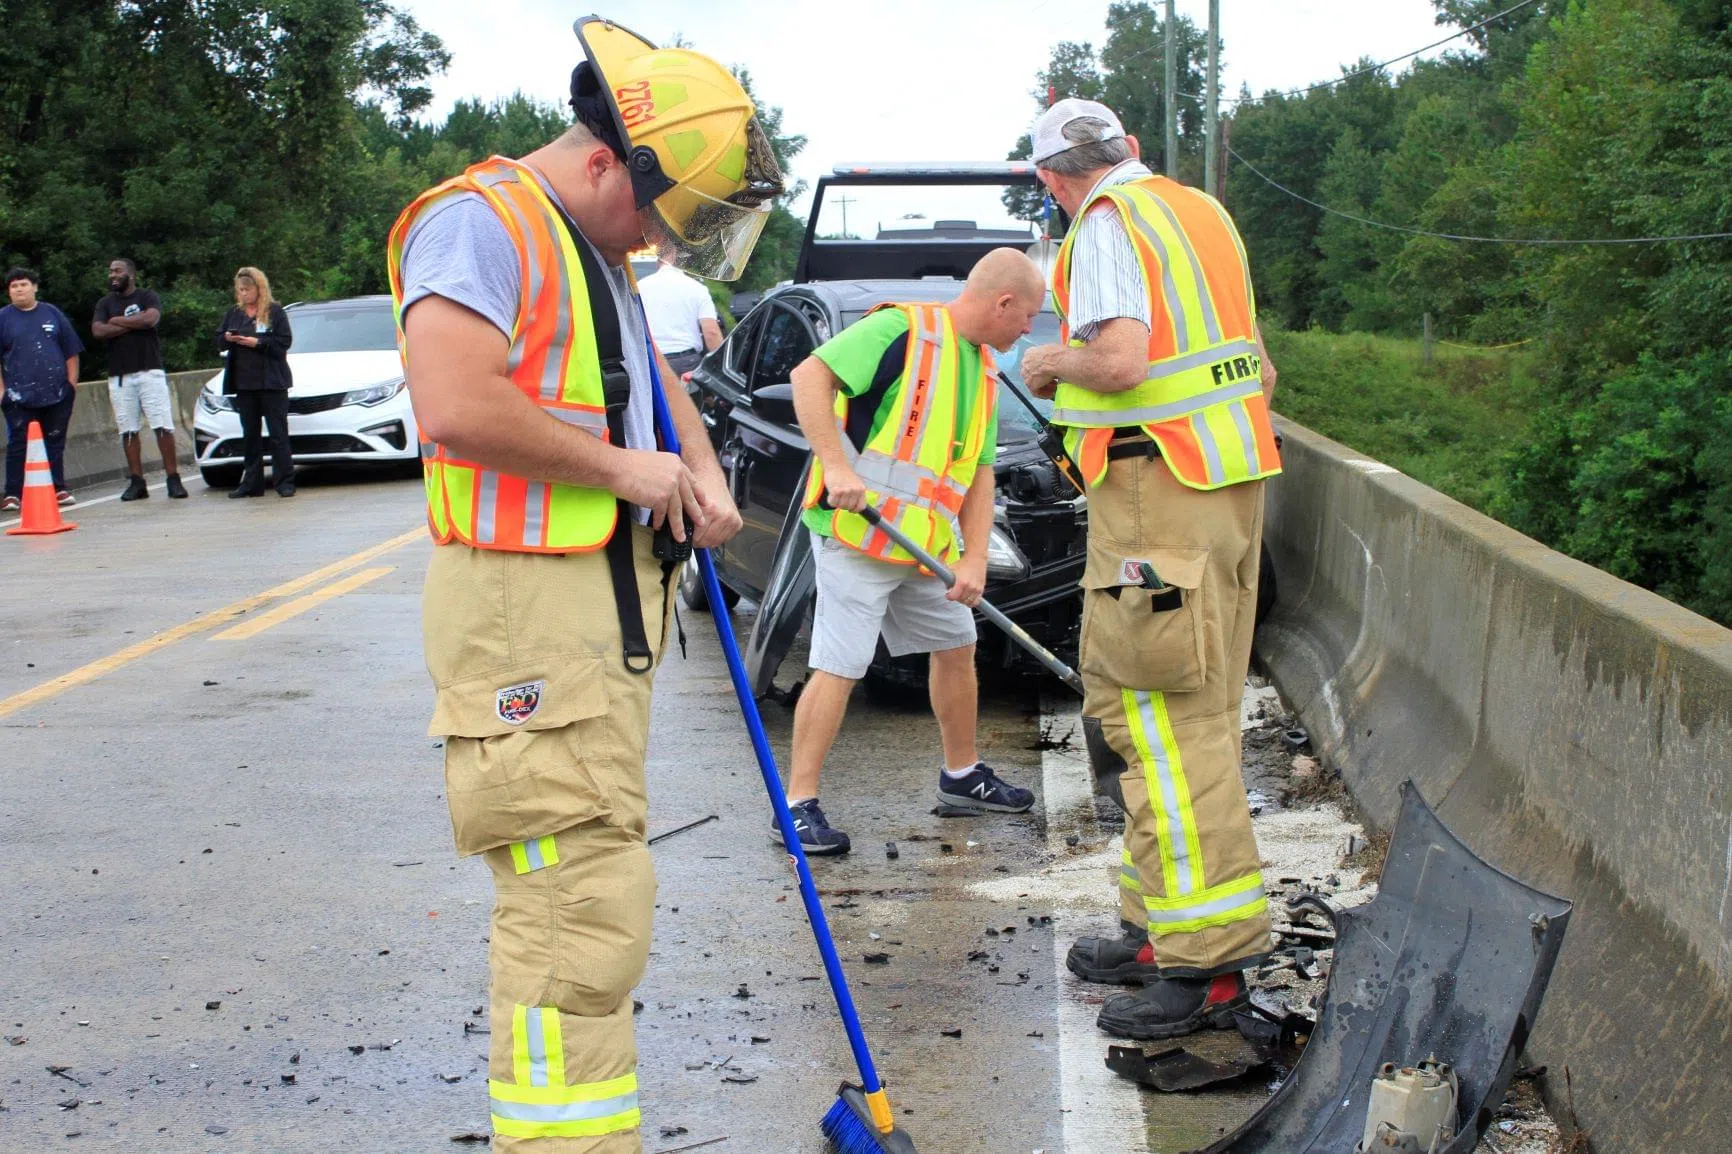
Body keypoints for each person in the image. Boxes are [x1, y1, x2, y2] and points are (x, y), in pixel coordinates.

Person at [389, 16, 777, 1150]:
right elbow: (455, 402)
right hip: (527, 614)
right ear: (606, 158)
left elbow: (639, 371)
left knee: (597, 889)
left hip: (593, 616)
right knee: (573, 913)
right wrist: (627, 467)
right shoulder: (480, 222)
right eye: (654, 214)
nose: (659, 241)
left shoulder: (589, 248)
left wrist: (696, 466)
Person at [1019, 99, 1283, 1041]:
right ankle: (1154, 923)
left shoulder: (1102, 226)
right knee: (1164, 706)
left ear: (1056, 179)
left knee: (1164, 723)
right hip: (1229, 485)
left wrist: (1053, 362)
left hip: (1154, 489)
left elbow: (1122, 360)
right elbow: (1255, 365)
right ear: (1128, 150)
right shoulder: (1199, 214)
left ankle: (1206, 967)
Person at [780, 248, 1047, 856]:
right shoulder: (901, 327)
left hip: (923, 545)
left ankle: (962, 776)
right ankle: (796, 804)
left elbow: (978, 474)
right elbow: (808, 378)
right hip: (856, 534)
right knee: (840, 665)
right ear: (1003, 302)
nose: (1027, 329)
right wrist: (834, 463)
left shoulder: (981, 369)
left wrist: (973, 557)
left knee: (957, 647)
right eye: (1026, 316)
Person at [91, 258, 185, 501]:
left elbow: (150, 319)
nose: (112, 275)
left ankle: (173, 479)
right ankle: (137, 481)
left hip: (149, 371)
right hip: (120, 376)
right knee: (128, 429)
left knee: (162, 424)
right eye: (110, 271)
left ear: (130, 274)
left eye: (117, 271)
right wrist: (134, 324)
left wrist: (118, 322)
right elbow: (98, 331)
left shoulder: (147, 296)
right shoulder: (105, 303)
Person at [0, 269, 82, 511]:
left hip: (57, 393)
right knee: (18, 443)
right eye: (14, 286)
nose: (19, 290)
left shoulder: (52, 314)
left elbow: (71, 352)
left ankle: (58, 488)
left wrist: (71, 385)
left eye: (24, 284)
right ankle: (13, 494)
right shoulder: (3, 318)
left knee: (55, 441)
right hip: (17, 396)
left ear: (34, 287)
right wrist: (2, 392)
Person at [216, 267, 296, 498]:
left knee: (278, 434)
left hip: (271, 383)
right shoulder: (234, 313)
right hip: (244, 383)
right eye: (240, 290)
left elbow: (284, 342)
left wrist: (257, 343)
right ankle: (252, 483)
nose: (243, 295)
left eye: (247, 290)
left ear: (259, 290)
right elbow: (219, 339)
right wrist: (228, 338)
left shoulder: (274, 312)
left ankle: (285, 481)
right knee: (250, 435)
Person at [637, 256, 722, 377]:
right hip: (688, 364)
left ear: (658, 262)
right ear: (684, 263)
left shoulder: (640, 287)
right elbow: (711, 332)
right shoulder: (697, 288)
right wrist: (720, 367)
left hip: (653, 362)